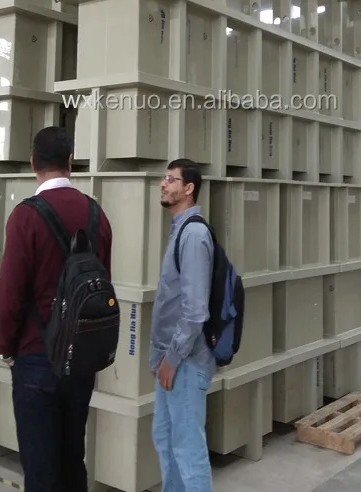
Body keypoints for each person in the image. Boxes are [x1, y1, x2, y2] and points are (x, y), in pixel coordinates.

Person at [0, 126, 113, 492]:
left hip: (36, 357)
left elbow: (10, 293)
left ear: (33, 163)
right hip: (82, 357)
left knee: (40, 468)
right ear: (70, 163)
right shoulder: (97, 214)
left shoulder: (26, 216)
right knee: (72, 458)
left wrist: (5, 348)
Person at [150, 158, 215, 492]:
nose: (164, 184)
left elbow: (194, 312)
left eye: (171, 179)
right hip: (171, 360)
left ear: (189, 188)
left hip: (185, 362)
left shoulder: (193, 235)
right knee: (165, 438)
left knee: (188, 451)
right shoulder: (180, 230)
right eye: (164, 178)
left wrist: (172, 359)